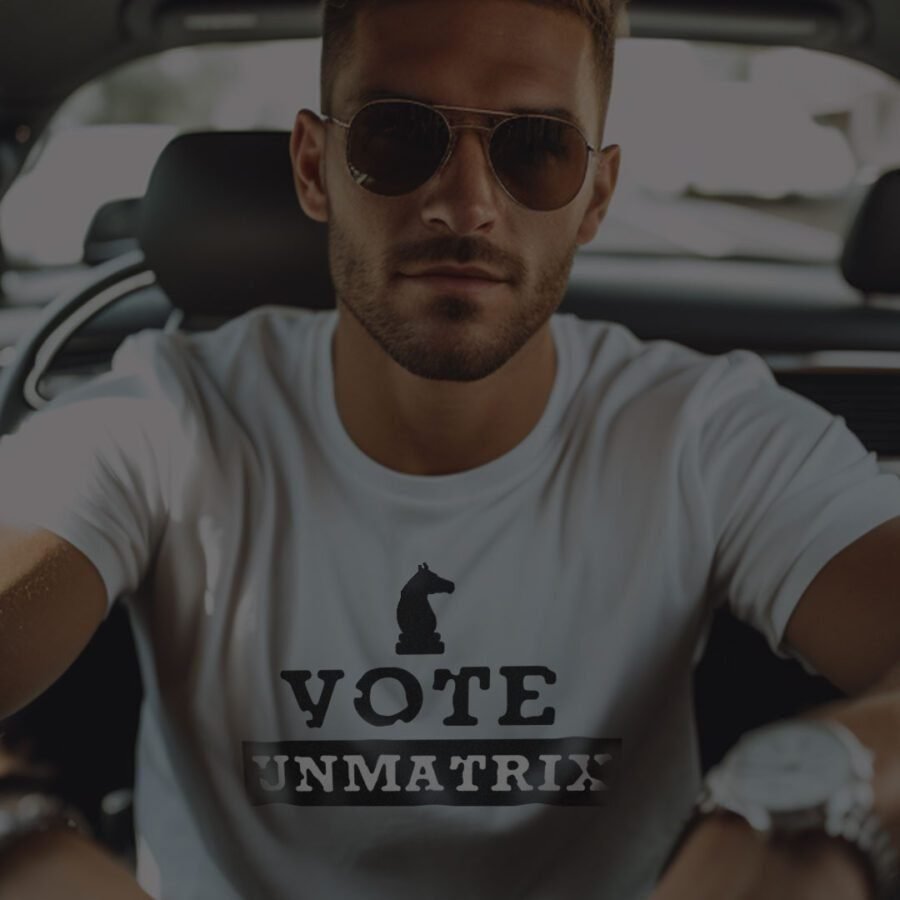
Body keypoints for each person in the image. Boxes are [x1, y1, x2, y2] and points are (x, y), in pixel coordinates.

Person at [2, 0, 900, 897]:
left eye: (536, 148)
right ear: (315, 168)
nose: (465, 204)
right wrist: (18, 839)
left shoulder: (699, 432)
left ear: (595, 196)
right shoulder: (168, 417)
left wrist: (814, 792)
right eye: (397, 137)